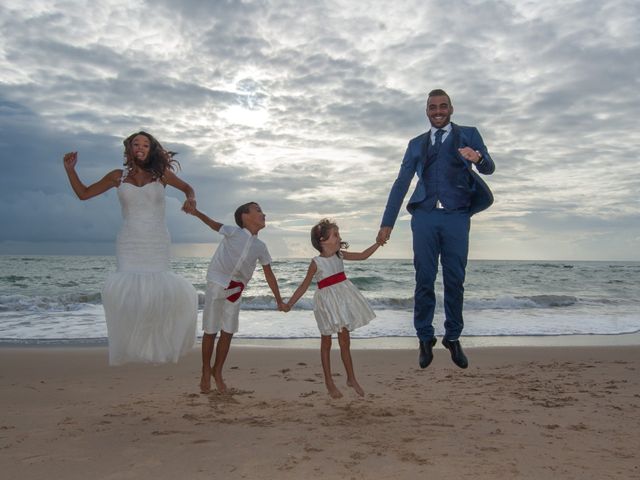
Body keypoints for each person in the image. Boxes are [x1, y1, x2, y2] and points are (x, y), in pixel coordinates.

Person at [377, 89, 495, 370]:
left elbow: (489, 167)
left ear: (451, 109)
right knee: (424, 279)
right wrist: (387, 223)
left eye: (443, 106)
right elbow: (401, 183)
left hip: (456, 216)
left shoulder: (469, 134)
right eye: (433, 107)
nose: (438, 111)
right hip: (425, 217)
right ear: (427, 111)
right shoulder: (416, 144)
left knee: (455, 279)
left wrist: (476, 158)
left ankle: (453, 337)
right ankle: (425, 337)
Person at [62, 131, 198, 365]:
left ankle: (158, 343)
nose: (141, 147)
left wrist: (191, 199)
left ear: (151, 149)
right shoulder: (118, 176)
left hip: (156, 239)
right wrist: (70, 170)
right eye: (136, 143)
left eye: (145, 144)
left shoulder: (161, 174)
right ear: (129, 148)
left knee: (158, 293)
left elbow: (188, 188)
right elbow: (84, 194)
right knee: (129, 295)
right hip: (129, 240)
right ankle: (135, 346)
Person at [189, 203, 285, 394]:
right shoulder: (233, 232)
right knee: (210, 329)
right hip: (217, 281)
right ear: (244, 216)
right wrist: (196, 212)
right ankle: (205, 369)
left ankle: (218, 371)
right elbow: (213, 224)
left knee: (228, 331)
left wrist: (279, 299)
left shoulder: (261, 246)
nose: (263, 213)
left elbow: (269, 273)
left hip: (236, 289)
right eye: (258, 210)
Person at [284, 219, 382, 398]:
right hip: (326, 303)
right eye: (335, 234)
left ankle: (351, 378)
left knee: (345, 341)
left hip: (343, 300)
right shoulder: (316, 262)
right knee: (326, 342)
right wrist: (289, 304)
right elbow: (304, 286)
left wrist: (378, 243)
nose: (339, 238)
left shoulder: (340, 255)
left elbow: (363, 255)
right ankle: (329, 382)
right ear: (322, 239)